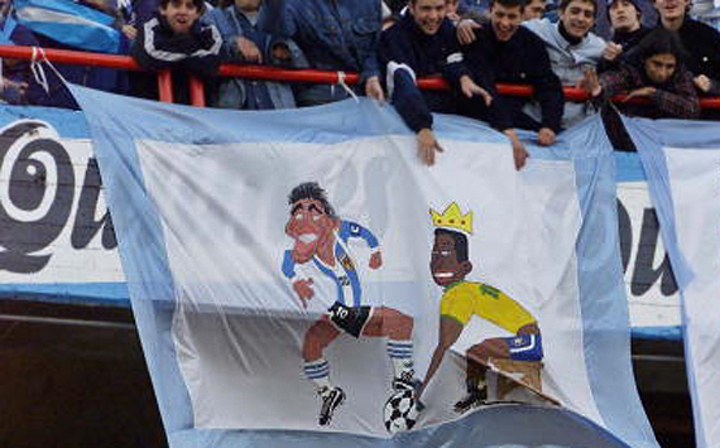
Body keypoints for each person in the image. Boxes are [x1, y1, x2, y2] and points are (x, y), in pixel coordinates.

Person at [281, 182, 417, 427]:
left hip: (342, 310)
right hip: (344, 311)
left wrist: (375, 251)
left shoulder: (339, 231)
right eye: (298, 213)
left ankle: (330, 392)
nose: (306, 218)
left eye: (313, 211)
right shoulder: (303, 246)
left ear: (327, 217)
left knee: (312, 343)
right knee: (401, 322)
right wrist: (296, 281)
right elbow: (287, 262)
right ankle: (401, 381)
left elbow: (364, 232)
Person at [420, 202, 543, 413]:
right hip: (528, 339)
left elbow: (444, 345)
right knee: (476, 350)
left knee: (477, 351)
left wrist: (423, 390)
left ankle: (478, 395)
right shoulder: (466, 289)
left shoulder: (459, 293)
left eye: (446, 253)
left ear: (465, 267)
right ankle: (480, 394)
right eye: (434, 254)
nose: (437, 262)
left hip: (529, 341)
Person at [379, 0, 529, 169]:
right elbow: (402, 81)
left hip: (452, 130)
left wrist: (463, 78)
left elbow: (454, 61)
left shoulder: (448, 29)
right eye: (426, 9)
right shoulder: (393, 38)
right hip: (412, 130)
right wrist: (422, 127)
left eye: (439, 8)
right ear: (412, 7)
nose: (433, 16)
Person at [462, 0, 564, 146]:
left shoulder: (532, 43)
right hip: (472, 121)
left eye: (512, 17)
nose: (505, 23)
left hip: (516, 123)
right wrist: (506, 127)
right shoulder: (473, 37)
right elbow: (483, 82)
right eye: (500, 15)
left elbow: (548, 85)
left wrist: (550, 125)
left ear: (522, 16)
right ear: (490, 11)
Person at [274, 0, 385, 106]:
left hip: (365, 92)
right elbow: (276, 46)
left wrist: (372, 76)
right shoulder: (292, 5)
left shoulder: (370, 3)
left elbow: (373, 48)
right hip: (319, 96)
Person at [580, 28, 700, 119]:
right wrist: (598, 87)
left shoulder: (680, 73)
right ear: (644, 60)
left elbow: (692, 109)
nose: (662, 73)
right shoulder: (632, 69)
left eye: (669, 66)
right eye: (657, 64)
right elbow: (613, 80)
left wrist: (653, 93)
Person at [203, 0, 298, 109]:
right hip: (234, 112)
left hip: (279, 109)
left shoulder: (280, 17)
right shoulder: (214, 17)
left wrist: (284, 52)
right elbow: (203, 50)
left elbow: (301, 58)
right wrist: (234, 44)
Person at [131, 0, 222, 104]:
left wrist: (173, 52)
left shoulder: (208, 31)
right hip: (152, 107)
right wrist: (192, 55)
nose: (183, 11)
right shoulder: (150, 27)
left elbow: (214, 59)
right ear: (163, 9)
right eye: (176, 5)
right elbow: (150, 56)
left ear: (198, 13)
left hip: (199, 110)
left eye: (189, 6)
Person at [653, 0, 720, 100]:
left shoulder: (710, 37)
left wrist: (712, 86)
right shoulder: (643, 41)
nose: (669, 1)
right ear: (654, 3)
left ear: (687, 1)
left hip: (704, 108)